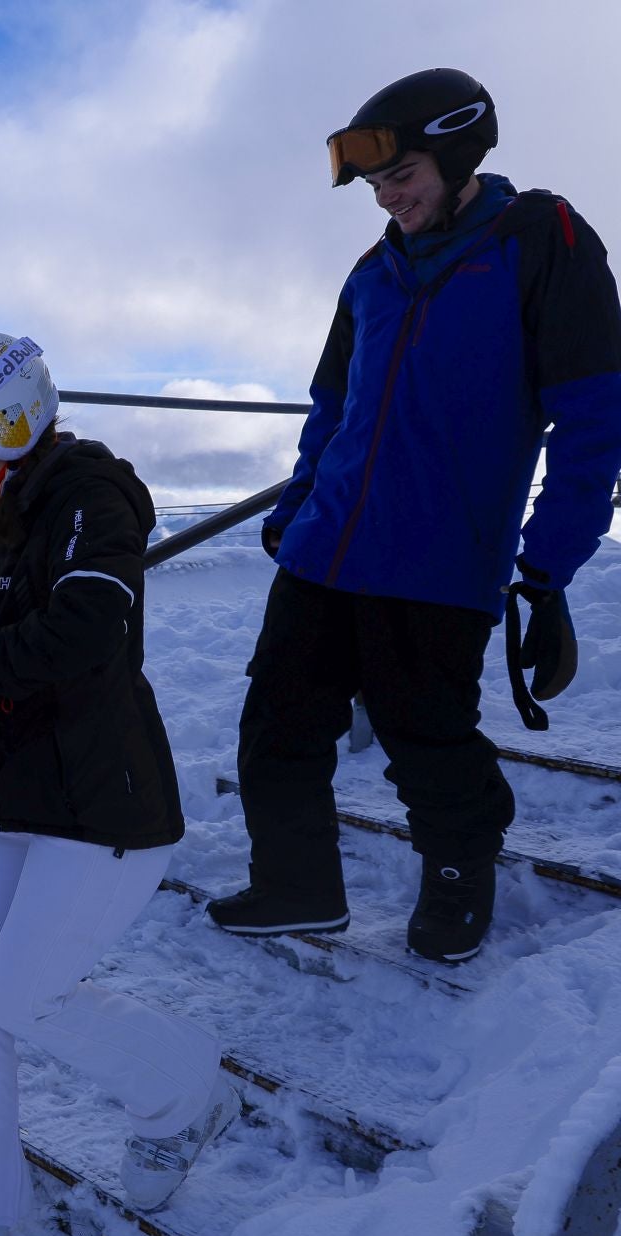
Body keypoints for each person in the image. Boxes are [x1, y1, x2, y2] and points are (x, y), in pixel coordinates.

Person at [207, 68, 621, 963]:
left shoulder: (541, 241)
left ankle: (460, 874)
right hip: (326, 548)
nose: (387, 198)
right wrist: (298, 505)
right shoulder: (372, 272)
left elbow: (594, 421)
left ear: (459, 148)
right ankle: (296, 884)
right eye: (376, 187)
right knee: (278, 722)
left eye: (401, 176)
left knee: (423, 732)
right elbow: (333, 407)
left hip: (439, 555)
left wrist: (546, 568)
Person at [0, 334, 235, 1236]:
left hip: (105, 808)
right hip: (13, 800)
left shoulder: (89, 500)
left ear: (14, 417)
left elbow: (83, 630)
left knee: (23, 996)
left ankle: (188, 1095)